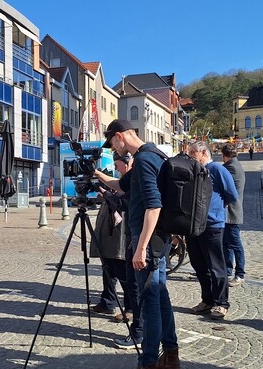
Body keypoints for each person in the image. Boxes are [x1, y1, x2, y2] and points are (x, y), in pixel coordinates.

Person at [96, 119, 179, 369]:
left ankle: (149, 361)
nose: (113, 149)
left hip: (148, 243)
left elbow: (154, 205)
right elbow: (121, 186)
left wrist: (141, 248)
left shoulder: (142, 160)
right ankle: (171, 354)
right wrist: (97, 176)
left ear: (119, 136)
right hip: (158, 240)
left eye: (112, 144)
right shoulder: (153, 154)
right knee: (160, 297)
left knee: (149, 302)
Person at [94, 153, 144, 350]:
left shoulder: (132, 179)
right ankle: (108, 301)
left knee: (126, 275)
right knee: (109, 268)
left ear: (127, 163)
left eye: (117, 164)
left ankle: (132, 312)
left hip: (124, 234)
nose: (115, 168)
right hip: (113, 233)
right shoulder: (123, 179)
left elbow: (123, 202)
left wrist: (107, 194)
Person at [186, 141, 238, 320]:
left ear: (203, 152)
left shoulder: (217, 169)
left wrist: (217, 208)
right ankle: (207, 300)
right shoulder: (194, 170)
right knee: (199, 266)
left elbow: (231, 194)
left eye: (192, 153)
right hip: (194, 226)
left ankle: (221, 303)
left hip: (212, 225)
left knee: (216, 266)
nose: (190, 156)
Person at [221, 144, 246, 287]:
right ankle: (228, 271)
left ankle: (240, 274)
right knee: (227, 244)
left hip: (231, 212)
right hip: (230, 212)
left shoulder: (231, 168)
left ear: (224, 155)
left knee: (236, 244)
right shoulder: (235, 165)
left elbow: (225, 188)